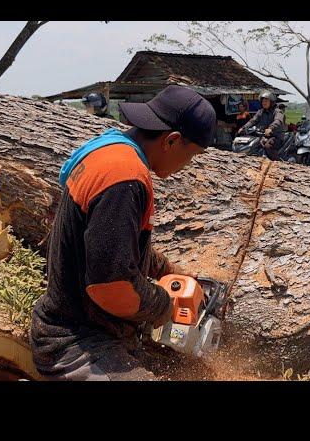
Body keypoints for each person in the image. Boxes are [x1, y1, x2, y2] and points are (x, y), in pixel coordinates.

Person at [30, 85, 217, 381]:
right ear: (172, 141)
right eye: (190, 156)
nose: (187, 165)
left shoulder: (112, 152)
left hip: (95, 332)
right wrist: (165, 305)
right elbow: (111, 287)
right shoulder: (123, 177)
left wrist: (168, 270)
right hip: (76, 343)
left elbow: (112, 243)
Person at [237, 90, 286, 161]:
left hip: (276, 136)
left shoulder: (277, 111)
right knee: (252, 144)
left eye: (266, 101)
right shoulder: (260, 112)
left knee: (267, 146)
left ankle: (278, 163)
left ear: (271, 102)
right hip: (264, 136)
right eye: (263, 101)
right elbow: (253, 121)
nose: (264, 103)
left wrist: (271, 128)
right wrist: (243, 128)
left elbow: (278, 121)